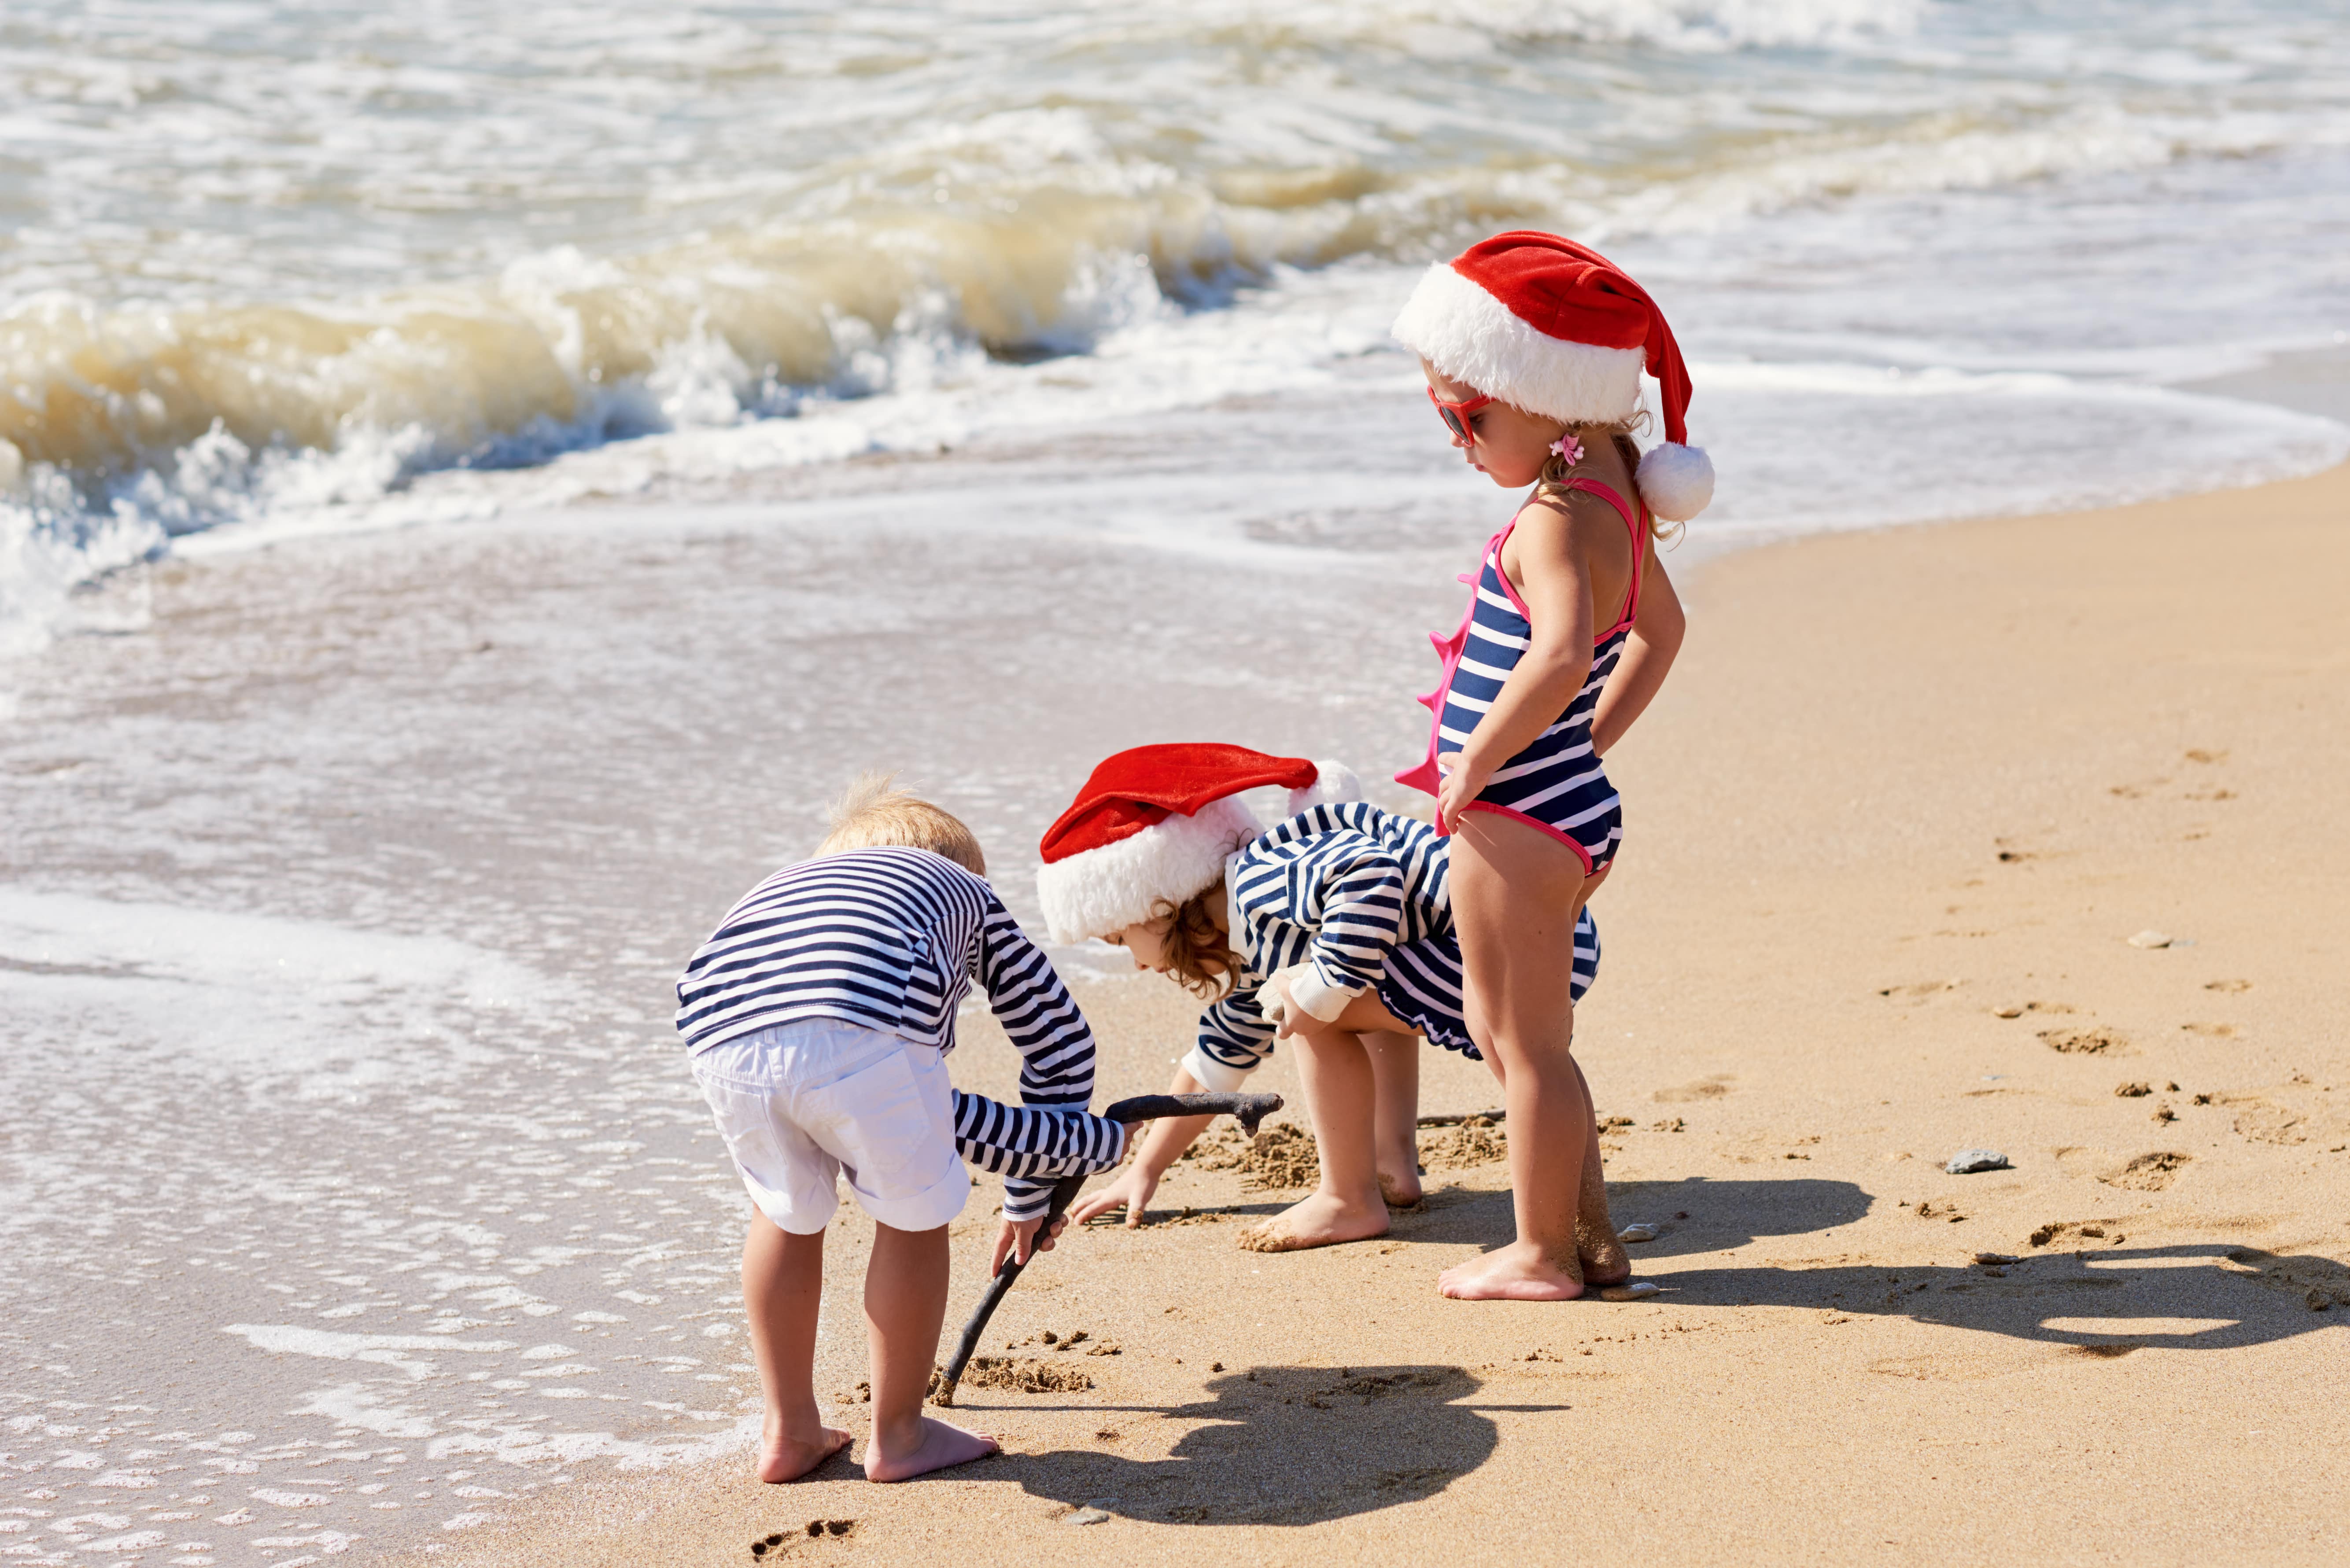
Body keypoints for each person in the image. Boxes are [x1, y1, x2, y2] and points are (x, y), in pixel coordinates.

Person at [1388, 230, 1701, 1299]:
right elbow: (1661, 631)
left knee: (1521, 1046)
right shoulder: (1616, 487)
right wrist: (1586, 741)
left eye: (1468, 417)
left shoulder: (1559, 516)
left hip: (1516, 810)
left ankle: (1538, 1252)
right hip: (1556, 798)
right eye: (1443, 417)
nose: (1456, 439)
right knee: (1523, 1037)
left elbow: (1562, 649)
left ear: (1543, 393)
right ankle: (1592, 1239)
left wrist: (1476, 758)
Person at [673, 775, 1126, 1483]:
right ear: (966, 871)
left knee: (782, 1212)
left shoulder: (794, 890)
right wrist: (1036, 1191)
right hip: (861, 1020)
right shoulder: (963, 890)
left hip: (719, 1030)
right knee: (914, 1215)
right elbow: (1059, 1041)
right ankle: (900, 1433)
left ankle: (788, 1427)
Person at [1034, 744, 1620, 1276]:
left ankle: (1347, 1197)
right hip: (1524, 940)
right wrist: (1147, 1168)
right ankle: (1391, 1166)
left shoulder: (1258, 881)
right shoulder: (1248, 943)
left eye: (1119, 939)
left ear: (1159, 900)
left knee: (1310, 995)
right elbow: (1216, 1062)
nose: (1134, 963)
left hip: (1515, 942)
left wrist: (1321, 987)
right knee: (1319, 988)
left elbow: (1371, 873)